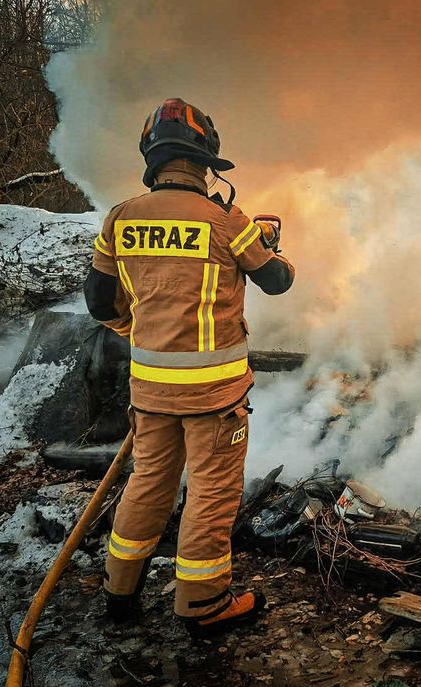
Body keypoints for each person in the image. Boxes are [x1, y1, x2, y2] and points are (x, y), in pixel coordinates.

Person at [83, 98, 294, 637]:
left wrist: (138, 333)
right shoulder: (225, 220)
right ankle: (203, 603)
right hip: (215, 398)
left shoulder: (120, 219)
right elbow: (276, 281)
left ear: (152, 158)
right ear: (205, 161)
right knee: (211, 492)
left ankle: (118, 590)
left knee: (148, 482)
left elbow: (99, 302)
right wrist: (273, 249)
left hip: (150, 391)